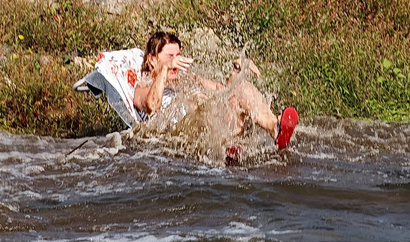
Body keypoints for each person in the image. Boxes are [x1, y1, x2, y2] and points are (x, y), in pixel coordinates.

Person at [75, 31, 298, 158]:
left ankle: (275, 128)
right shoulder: (142, 85)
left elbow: (224, 91)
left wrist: (238, 71)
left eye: (178, 55)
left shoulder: (185, 79)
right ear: (152, 59)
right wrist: (164, 70)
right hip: (185, 130)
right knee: (199, 105)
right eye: (170, 56)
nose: (176, 61)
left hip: (212, 121)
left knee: (242, 90)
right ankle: (229, 145)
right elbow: (151, 105)